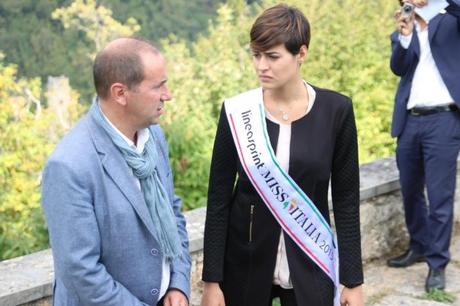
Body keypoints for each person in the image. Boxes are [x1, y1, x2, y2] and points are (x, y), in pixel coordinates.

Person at [200, 4, 363, 306]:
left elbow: (346, 201)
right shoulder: (237, 112)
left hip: (310, 259)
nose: (261, 66)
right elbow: (218, 199)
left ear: (301, 53)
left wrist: (352, 281)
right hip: (244, 259)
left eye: (273, 56)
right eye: (256, 55)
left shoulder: (336, 111)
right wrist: (211, 280)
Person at [41, 38, 191, 306]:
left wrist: (178, 284)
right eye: (158, 86)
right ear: (120, 93)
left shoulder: (153, 136)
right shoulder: (69, 165)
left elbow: (171, 210)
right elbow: (80, 272)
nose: (168, 94)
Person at [386, 0, 460, 292]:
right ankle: (419, 245)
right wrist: (404, 36)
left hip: (444, 119)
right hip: (410, 121)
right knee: (410, 191)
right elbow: (398, 68)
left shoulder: (450, 19)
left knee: (440, 199)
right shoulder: (403, 28)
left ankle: (438, 264)